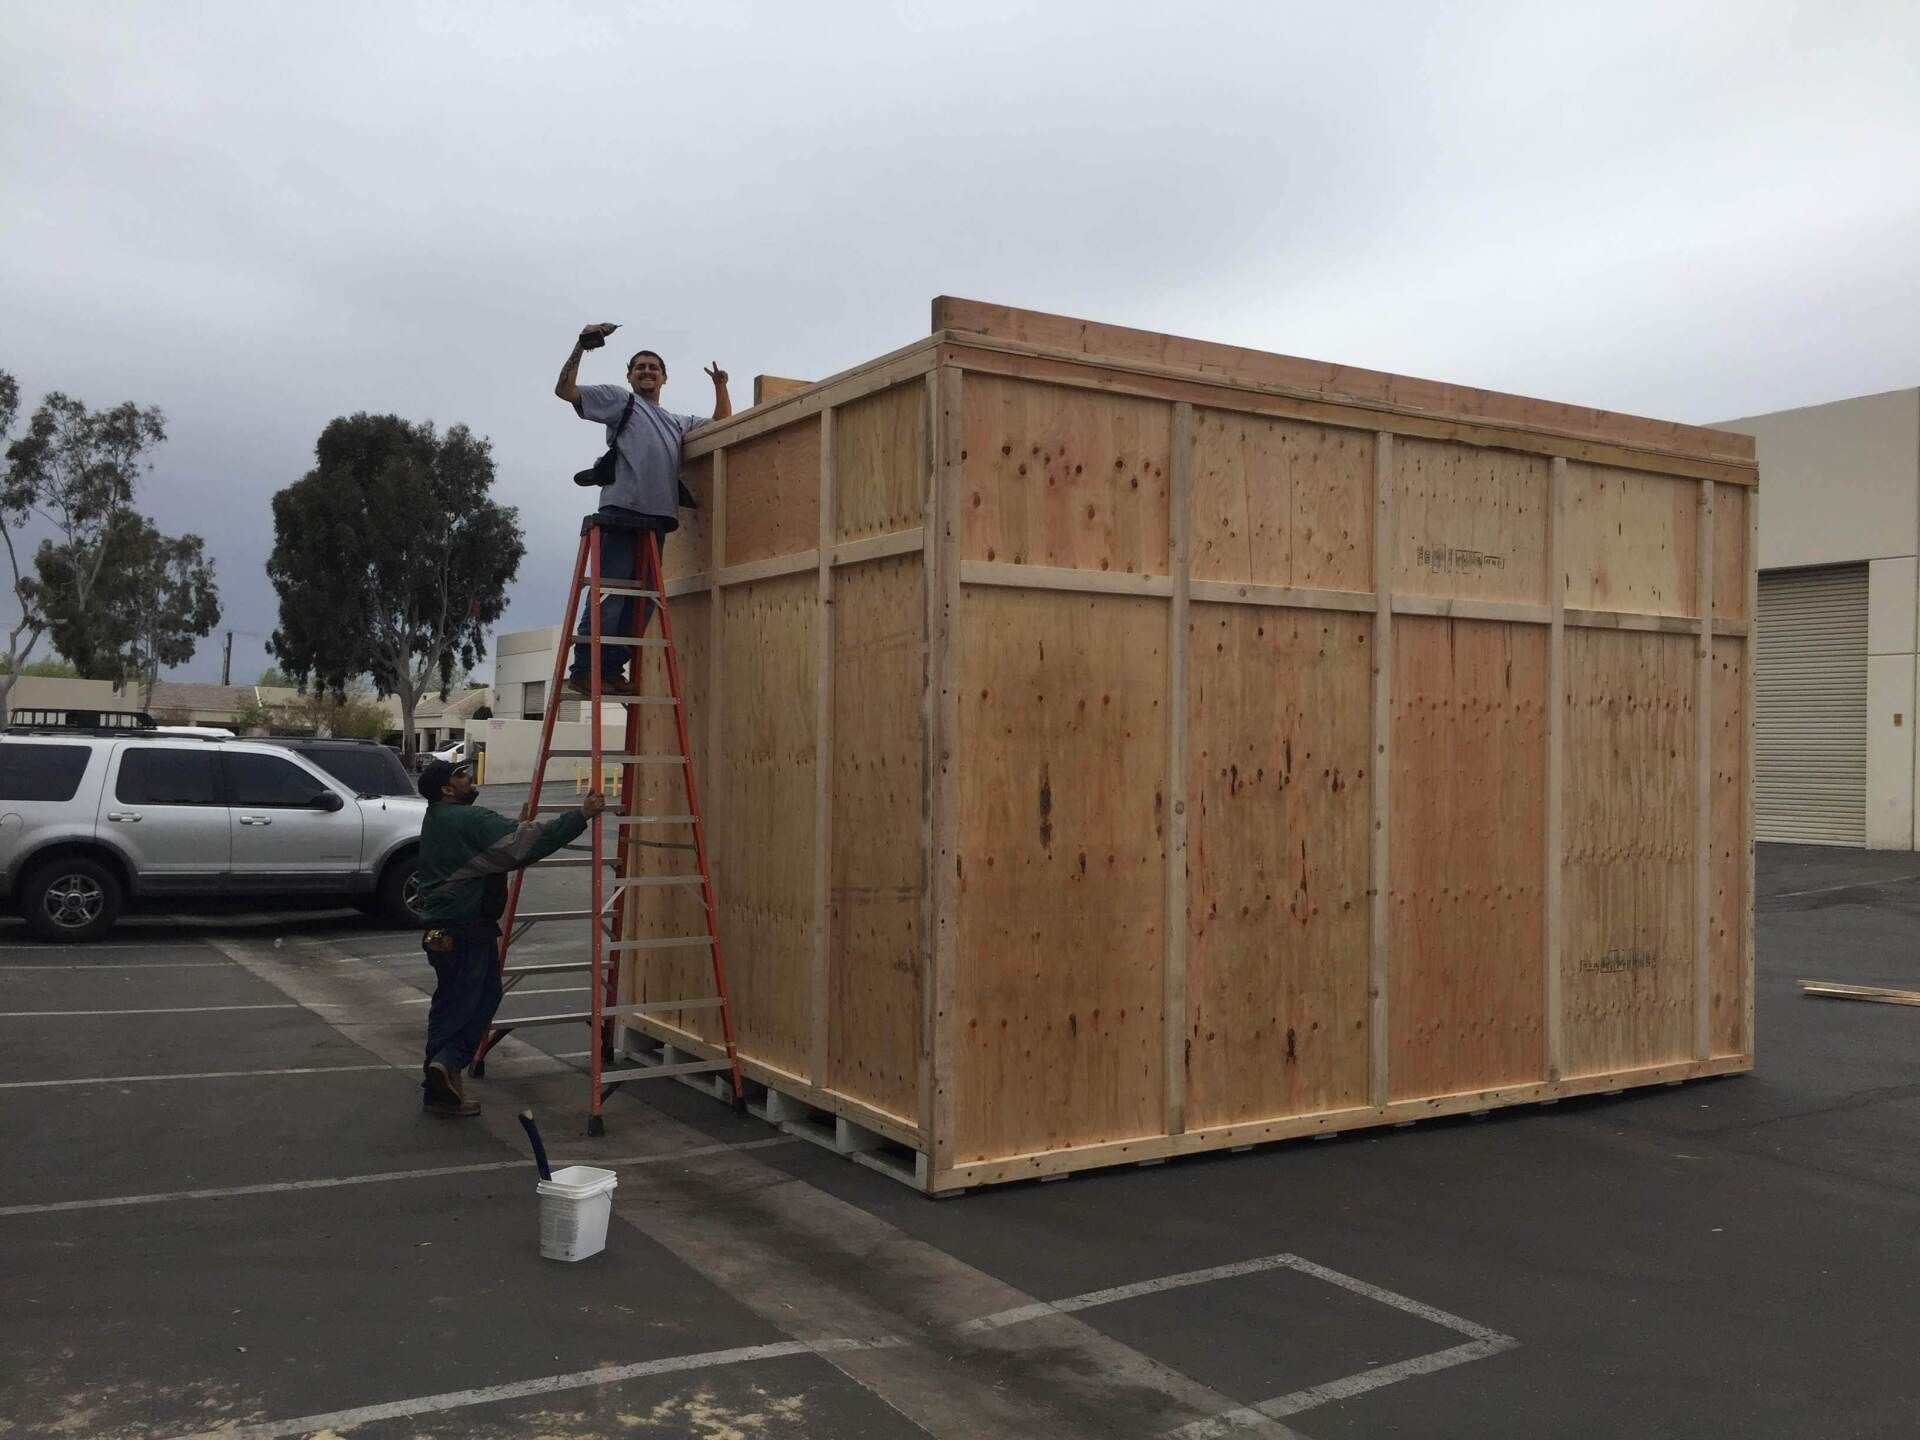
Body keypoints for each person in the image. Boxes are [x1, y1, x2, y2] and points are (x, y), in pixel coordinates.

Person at [413, 757, 606, 1117]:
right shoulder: (467, 818)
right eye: (461, 776)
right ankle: (446, 1063)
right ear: (447, 790)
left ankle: (441, 1083)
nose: (469, 777)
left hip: (444, 928)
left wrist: (514, 827)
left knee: (452, 1002)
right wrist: (581, 815)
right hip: (466, 927)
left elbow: (488, 852)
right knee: (475, 999)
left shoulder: (438, 818)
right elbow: (527, 843)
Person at [554, 322, 731, 697]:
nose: (647, 371)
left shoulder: (676, 422)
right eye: (640, 367)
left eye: (653, 367)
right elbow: (565, 391)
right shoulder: (621, 401)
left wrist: (720, 386)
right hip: (621, 512)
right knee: (610, 594)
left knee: (645, 602)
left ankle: (611, 668)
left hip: (656, 521)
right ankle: (585, 669)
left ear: (664, 377)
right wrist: (581, 347)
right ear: (629, 376)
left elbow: (722, 423)